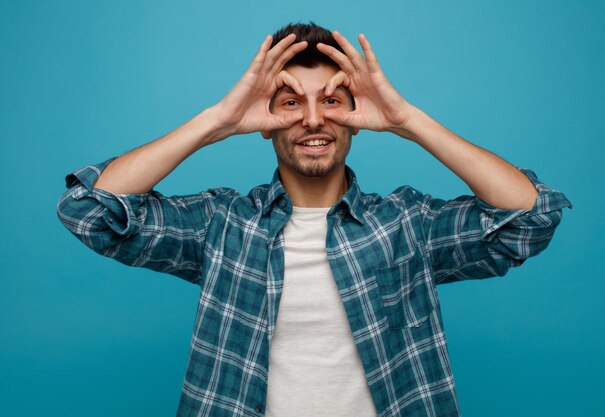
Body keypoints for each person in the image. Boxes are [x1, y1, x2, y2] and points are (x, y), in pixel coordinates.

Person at [56, 22, 573, 417]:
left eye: (331, 101)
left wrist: (407, 121)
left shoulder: (403, 224)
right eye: (290, 103)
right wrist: (218, 120)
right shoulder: (224, 224)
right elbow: (90, 212)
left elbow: (530, 217)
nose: (311, 119)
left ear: (357, 117)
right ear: (266, 120)